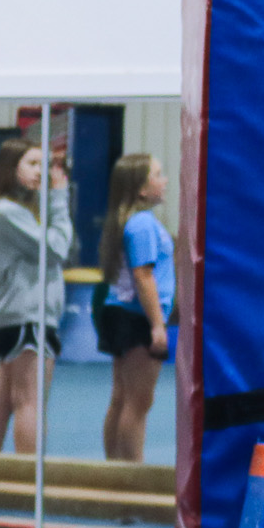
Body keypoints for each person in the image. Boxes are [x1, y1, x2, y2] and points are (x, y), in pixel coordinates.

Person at [0, 138, 72, 454]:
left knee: (4, 401)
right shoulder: (7, 212)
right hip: (28, 317)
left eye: (44, 165)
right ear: (9, 169)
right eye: (32, 164)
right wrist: (59, 197)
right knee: (30, 401)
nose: (40, 173)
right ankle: (29, 479)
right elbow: (56, 249)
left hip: (18, 316)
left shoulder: (12, 210)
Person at [96, 154, 174, 462]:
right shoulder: (142, 224)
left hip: (121, 313)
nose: (164, 179)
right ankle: (132, 475)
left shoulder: (130, 220)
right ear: (141, 189)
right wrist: (157, 324)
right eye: (158, 174)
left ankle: (115, 472)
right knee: (138, 402)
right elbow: (144, 276)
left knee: (121, 398)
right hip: (136, 317)